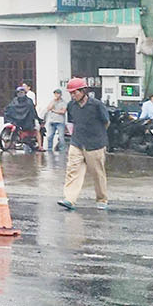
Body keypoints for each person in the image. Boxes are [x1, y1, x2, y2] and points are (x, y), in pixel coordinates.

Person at [59, 78, 110, 211]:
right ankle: (69, 199)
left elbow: (106, 122)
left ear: (83, 91)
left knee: (97, 173)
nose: (73, 95)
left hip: (95, 144)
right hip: (77, 142)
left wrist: (98, 136)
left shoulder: (97, 105)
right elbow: (72, 122)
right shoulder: (71, 105)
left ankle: (102, 199)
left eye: (75, 92)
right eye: (71, 93)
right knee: (72, 171)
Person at [2, 85, 41, 152]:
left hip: (26, 121)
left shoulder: (29, 101)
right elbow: (9, 108)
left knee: (37, 129)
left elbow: (32, 111)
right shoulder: (15, 100)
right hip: (16, 120)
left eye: (22, 92)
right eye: (19, 92)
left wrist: (37, 119)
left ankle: (40, 146)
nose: (20, 93)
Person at [42, 88, 68, 154]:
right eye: (55, 93)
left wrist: (54, 111)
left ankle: (62, 150)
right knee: (50, 136)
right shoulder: (52, 101)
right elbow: (48, 108)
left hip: (60, 121)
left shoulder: (64, 102)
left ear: (60, 94)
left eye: (58, 93)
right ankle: (49, 149)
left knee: (61, 137)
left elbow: (63, 111)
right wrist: (53, 102)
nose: (56, 95)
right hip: (52, 121)